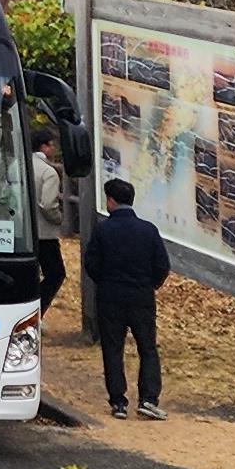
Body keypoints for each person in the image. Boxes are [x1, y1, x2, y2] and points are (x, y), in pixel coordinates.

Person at [80, 175, 169, 419]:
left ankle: (118, 401)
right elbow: (162, 265)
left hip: (110, 296)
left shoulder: (103, 230)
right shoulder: (148, 230)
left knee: (113, 348)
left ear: (111, 201)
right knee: (147, 348)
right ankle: (148, 398)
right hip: (141, 296)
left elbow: (91, 263)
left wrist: (104, 282)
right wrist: (151, 284)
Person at [31, 124, 74, 322]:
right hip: (45, 233)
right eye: (51, 145)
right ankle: (37, 312)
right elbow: (48, 204)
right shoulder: (48, 172)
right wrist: (59, 219)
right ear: (44, 147)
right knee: (56, 274)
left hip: (24, 232)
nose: (54, 149)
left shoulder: (18, 165)